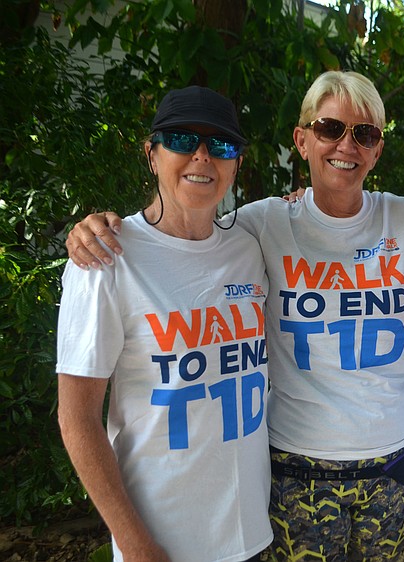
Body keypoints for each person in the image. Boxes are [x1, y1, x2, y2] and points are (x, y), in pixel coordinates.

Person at [62, 71, 404, 561]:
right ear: (302, 140)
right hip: (296, 469)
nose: (346, 145)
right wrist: (94, 228)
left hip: (390, 466)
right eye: (329, 129)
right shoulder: (257, 226)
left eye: (364, 134)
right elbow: (172, 236)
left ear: (377, 150)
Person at [56, 86, 272, 562]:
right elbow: (77, 420)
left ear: (237, 163)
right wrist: (135, 545)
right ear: (152, 154)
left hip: (251, 530)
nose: (202, 156)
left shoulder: (249, 247)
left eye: (221, 145)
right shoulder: (105, 257)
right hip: (161, 542)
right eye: (180, 139)